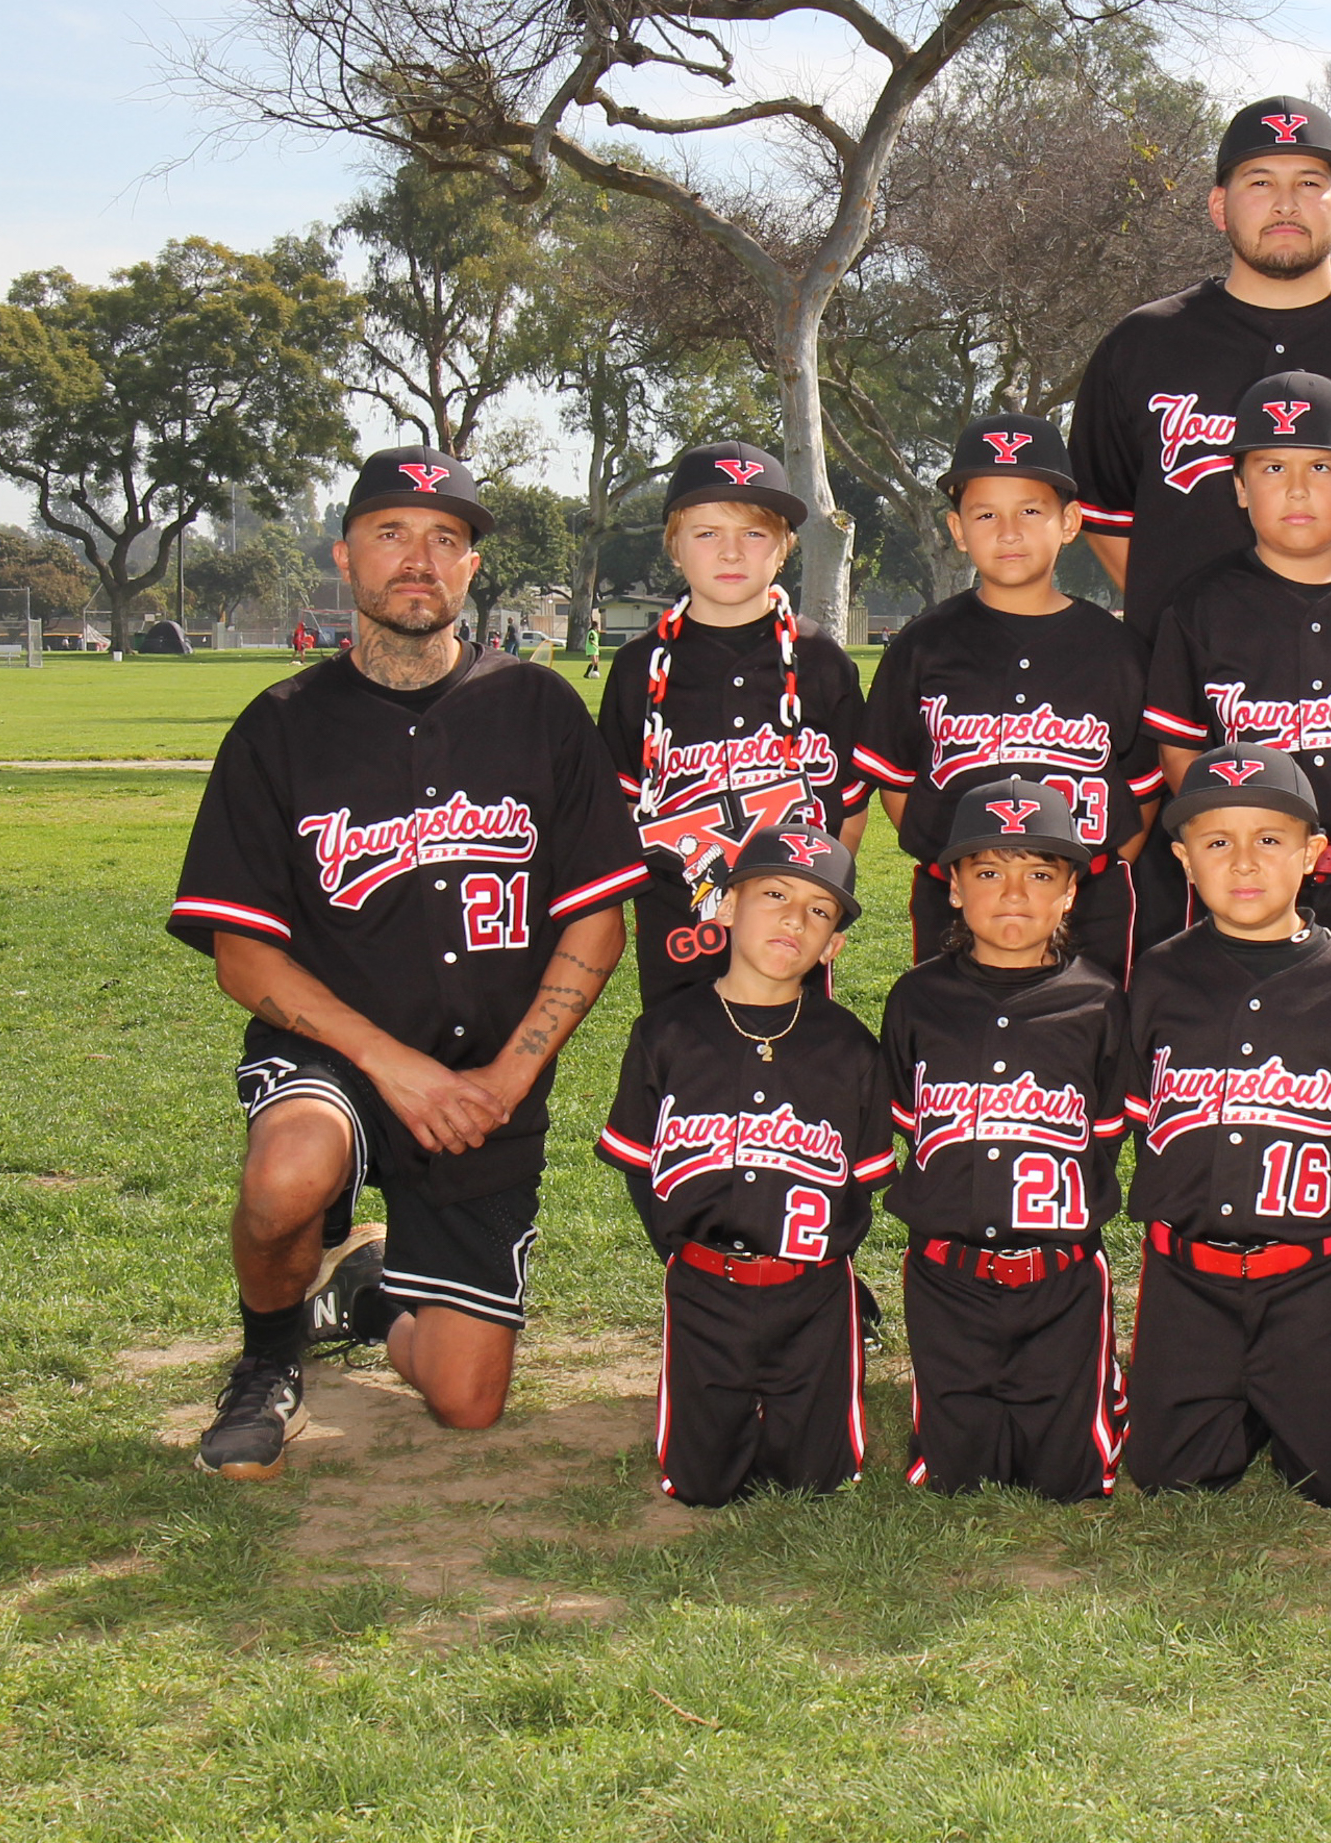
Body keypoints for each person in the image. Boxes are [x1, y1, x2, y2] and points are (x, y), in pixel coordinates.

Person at [169, 446, 648, 1477]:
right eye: (390, 533)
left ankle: (367, 1296)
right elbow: (243, 958)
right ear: (345, 557)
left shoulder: (539, 709)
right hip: (335, 1053)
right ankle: (268, 1361)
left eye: (445, 538)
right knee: (288, 1174)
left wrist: (505, 1080)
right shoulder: (280, 726)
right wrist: (398, 1069)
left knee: (467, 1402)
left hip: (485, 1079)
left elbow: (597, 924)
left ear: (472, 566)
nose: (418, 558)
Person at [1068, 95, 1331, 645]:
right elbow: (1106, 518)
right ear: (1219, 206)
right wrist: (1188, 629)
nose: (1286, 204)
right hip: (1190, 684)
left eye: (1309, 183)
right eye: (1260, 182)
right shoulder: (1141, 344)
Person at [1120, 743, 1331, 1507]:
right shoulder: (1157, 976)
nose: (1244, 862)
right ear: (1183, 859)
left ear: (1312, 853)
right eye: (1218, 842)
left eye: (1271, 839)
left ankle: (1283, 1391)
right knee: (1167, 1476)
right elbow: (1144, 1124)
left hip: (1310, 1276)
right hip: (1187, 1274)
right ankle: (1237, 1397)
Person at [595, 824, 896, 1505]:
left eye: (820, 911)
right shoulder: (667, 1032)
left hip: (815, 1296)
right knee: (698, 1484)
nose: (795, 919)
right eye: (774, 894)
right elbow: (638, 1164)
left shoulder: (850, 1048)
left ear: (834, 944)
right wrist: (682, 1252)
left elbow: (866, 1179)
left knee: (820, 1480)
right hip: (704, 1291)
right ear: (726, 906)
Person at [879, 779, 1134, 1502]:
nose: (1014, 894)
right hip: (946, 1278)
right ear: (954, 888)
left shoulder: (1099, 1001)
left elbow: (1105, 1138)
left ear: (1070, 894)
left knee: (1071, 1479)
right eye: (989, 872)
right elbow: (909, 1123)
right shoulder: (916, 998)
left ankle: (1099, 1381)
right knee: (954, 1476)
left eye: (1040, 875)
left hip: (1061, 1278)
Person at [1144, 369, 1331, 970]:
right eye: (1273, 468)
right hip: (1245, 886)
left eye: (1322, 467)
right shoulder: (1200, 604)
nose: (1297, 490)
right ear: (1240, 486)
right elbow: (1180, 754)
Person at [858, 415, 1161, 986]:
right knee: (952, 1031)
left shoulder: (1118, 650)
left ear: (1069, 521)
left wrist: (1101, 867)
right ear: (956, 529)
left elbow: (1143, 786)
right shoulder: (923, 645)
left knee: (1089, 1033)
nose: (1009, 532)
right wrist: (945, 859)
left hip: (1088, 899)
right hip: (958, 899)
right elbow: (896, 780)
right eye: (985, 515)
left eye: (1030, 511)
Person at [597, 441, 869, 1008]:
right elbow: (619, 811)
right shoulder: (638, 667)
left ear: (784, 546)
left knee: (796, 1050)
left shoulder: (821, 661)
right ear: (674, 546)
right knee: (680, 1048)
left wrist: (822, 903)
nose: (730, 552)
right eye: (706, 533)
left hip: (792, 932)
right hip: (678, 929)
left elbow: (850, 807)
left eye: (754, 533)